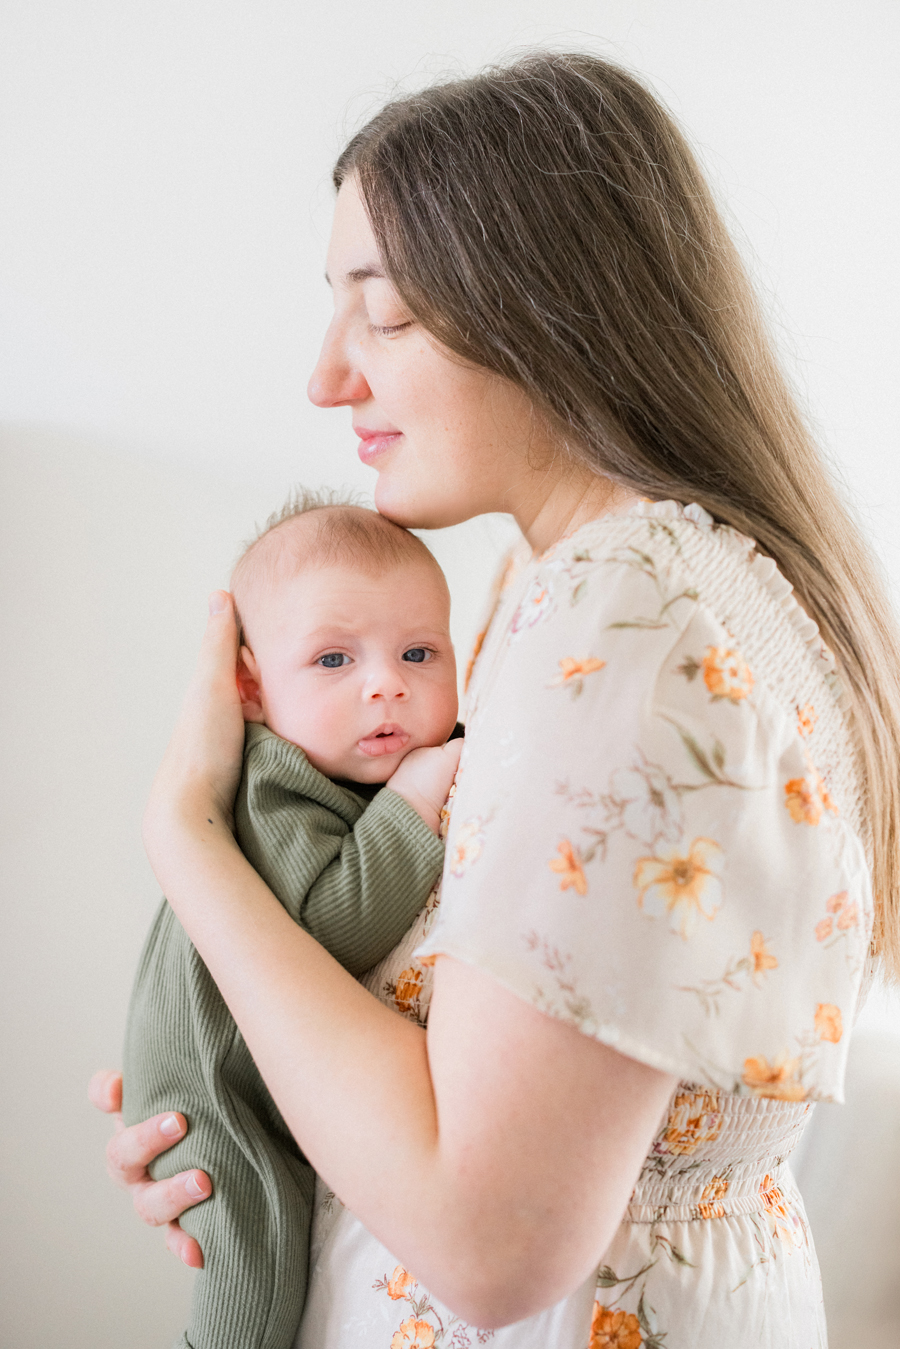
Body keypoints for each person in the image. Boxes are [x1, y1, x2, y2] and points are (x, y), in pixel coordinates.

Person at [92, 52, 900, 1348]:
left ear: (542, 303)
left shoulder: (633, 619)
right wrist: (241, 1108)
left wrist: (187, 845)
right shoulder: (582, 582)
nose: (327, 375)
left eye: (385, 313)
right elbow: (456, 1086)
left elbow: (487, 1237)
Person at [121, 496, 462, 1349]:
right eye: (334, 658)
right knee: (255, 1256)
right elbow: (334, 926)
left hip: (267, 1073)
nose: (386, 682)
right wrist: (419, 795)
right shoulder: (275, 784)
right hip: (214, 1092)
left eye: (419, 652)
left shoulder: (344, 765)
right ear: (250, 686)